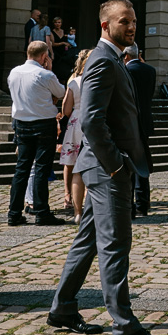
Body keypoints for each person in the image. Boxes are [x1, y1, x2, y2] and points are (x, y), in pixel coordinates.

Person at [49, 0, 168, 335]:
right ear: (105, 25)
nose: (131, 26)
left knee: (87, 242)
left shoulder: (112, 59)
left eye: (133, 21)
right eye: (124, 21)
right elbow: (90, 120)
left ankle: (62, 308)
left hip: (101, 168)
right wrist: (116, 164)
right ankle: (125, 327)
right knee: (115, 246)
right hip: (107, 171)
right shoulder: (103, 60)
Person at [6, 41, 67, 226]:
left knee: (21, 169)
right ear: (44, 56)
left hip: (22, 124)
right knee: (41, 168)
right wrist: (49, 68)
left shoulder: (14, 72)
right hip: (43, 125)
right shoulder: (44, 74)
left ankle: (14, 213)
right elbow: (61, 92)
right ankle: (42, 212)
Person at [59, 49, 92, 221]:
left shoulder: (74, 82)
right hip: (91, 121)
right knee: (89, 162)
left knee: (70, 161)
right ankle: (88, 199)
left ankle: (68, 196)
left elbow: (66, 110)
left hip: (75, 121)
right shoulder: (96, 80)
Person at [124, 45, 156, 217]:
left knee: (129, 164)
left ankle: (129, 206)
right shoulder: (150, 70)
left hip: (130, 122)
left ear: (126, 56)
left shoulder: (125, 71)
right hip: (145, 121)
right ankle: (143, 203)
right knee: (142, 162)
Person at [51, 16, 76, 84]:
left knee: (65, 73)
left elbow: (71, 40)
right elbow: (52, 44)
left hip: (65, 54)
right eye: (56, 22)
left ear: (61, 23)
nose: (57, 24)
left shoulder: (65, 32)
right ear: (53, 23)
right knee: (56, 73)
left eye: (59, 22)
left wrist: (69, 45)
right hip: (56, 54)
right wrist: (62, 43)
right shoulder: (51, 32)